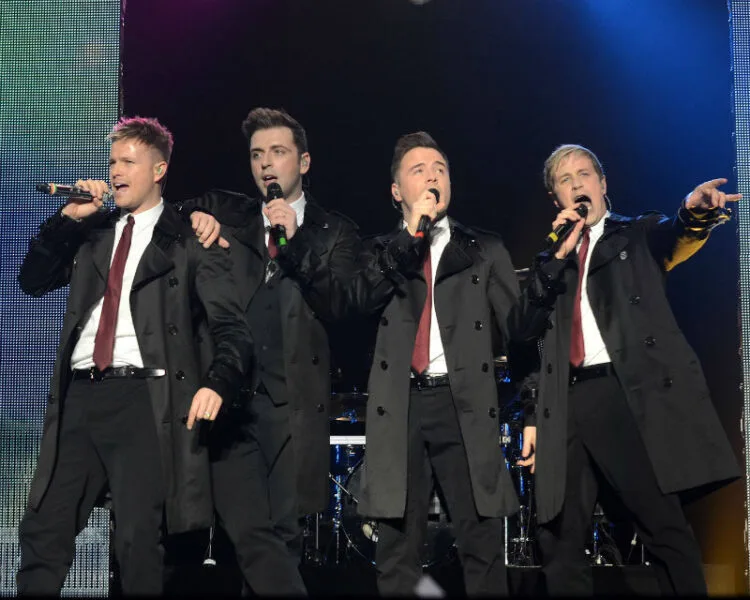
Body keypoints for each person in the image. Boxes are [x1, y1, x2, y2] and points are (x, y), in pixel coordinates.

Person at [15, 116, 252, 595]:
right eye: (112, 162)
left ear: (159, 170)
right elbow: (32, 280)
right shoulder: (93, 232)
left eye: (128, 161)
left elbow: (232, 328)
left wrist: (217, 382)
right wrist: (68, 218)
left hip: (144, 399)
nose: (115, 171)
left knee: (138, 539)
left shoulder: (188, 238)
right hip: (80, 397)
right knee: (44, 530)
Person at [517, 143, 742, 595]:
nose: (576, 184)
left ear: (603, 184)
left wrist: (693, 213)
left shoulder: (635, 234)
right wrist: (531, 414)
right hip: (564, 404)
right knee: (559, 538)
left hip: (621, 393)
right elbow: (524, 332)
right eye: (565, 180)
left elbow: (674, 236)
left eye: (584, 174)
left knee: (661, 525)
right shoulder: (551, 261)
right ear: (556, 199)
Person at [346, 131, 550, 596]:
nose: (432, 177)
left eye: (440, 169)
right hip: (400, 406)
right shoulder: (378, 252)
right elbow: (356, 304)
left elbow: (520, 334)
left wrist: (533, 411)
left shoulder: (483, 248)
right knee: (396, 545)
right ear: (396, 190)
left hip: (464, 404)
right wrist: (409, 237)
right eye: (418, 170)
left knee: (481, 540)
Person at [179, 107, 361, 593]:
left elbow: (341, 305)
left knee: (282, 536)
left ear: (303, 162)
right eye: (257, 154)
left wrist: (295, 243)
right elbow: (167, 216)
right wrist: (193, 216)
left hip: (292, 403)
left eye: (277, 152)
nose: (265, 164)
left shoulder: (334, 231)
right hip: (231, 400)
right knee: (246, 531)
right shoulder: (228, 211)